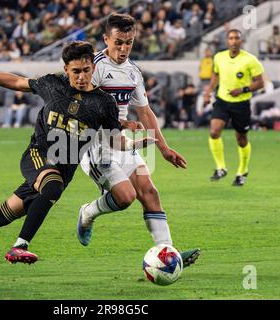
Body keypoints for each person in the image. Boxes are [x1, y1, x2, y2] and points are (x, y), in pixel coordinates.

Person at [0, 41, 154, 267]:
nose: (82, 77)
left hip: (61, 173)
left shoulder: (105, 103)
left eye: (86, 70)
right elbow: (15, 81)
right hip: (38, 156)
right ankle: (20, 246)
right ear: (66, 70)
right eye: (76, 71)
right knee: (52, 185)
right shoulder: (52, 84)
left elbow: (113, 141)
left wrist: (137, 144)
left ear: (93, 68)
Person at [76, 14, 200, 267]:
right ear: (106, 39)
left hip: (120, 142)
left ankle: (168, 254)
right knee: (125, 198)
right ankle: (88, 212)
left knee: (150, 192)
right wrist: (124, 125)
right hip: (95, 146)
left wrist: (163, 149)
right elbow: (89, 111)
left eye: (129, 43)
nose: (123, 49)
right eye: (118, 42)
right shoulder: (94, 68)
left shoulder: (133, 71)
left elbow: (145, 112)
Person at [204, 29, 264, 186]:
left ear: (241, 41)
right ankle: (221, 167)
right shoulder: (219, 57)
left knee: (241, 139)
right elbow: (215, 75)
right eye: (231, 38)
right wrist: (208, 92)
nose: (234, 41)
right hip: (222, 100)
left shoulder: (251, 60)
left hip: (241, 104)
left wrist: (243, 90)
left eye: (237, 38)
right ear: (227, 41)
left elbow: (260, 82)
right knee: (214, 131)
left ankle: (242, 171)